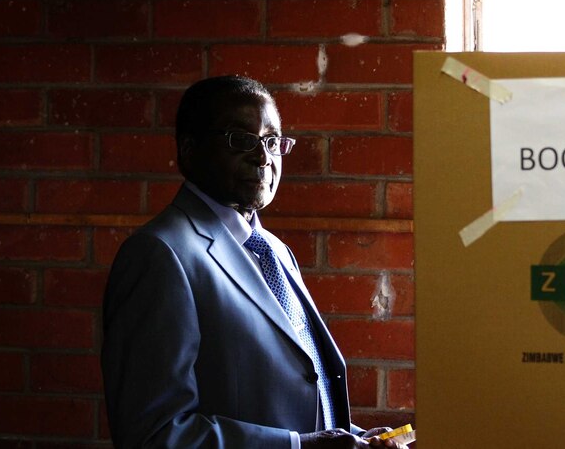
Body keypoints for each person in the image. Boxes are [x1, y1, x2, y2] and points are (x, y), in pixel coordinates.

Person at [101, 75, 408, 449]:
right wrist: (301, 447)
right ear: (189, 149)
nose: (263, 157)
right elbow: (153, 434)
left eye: (272, 141)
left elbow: (289, 401)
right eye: (241, 140)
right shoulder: (160, 255)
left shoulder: (274, 250)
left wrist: (354, 439)